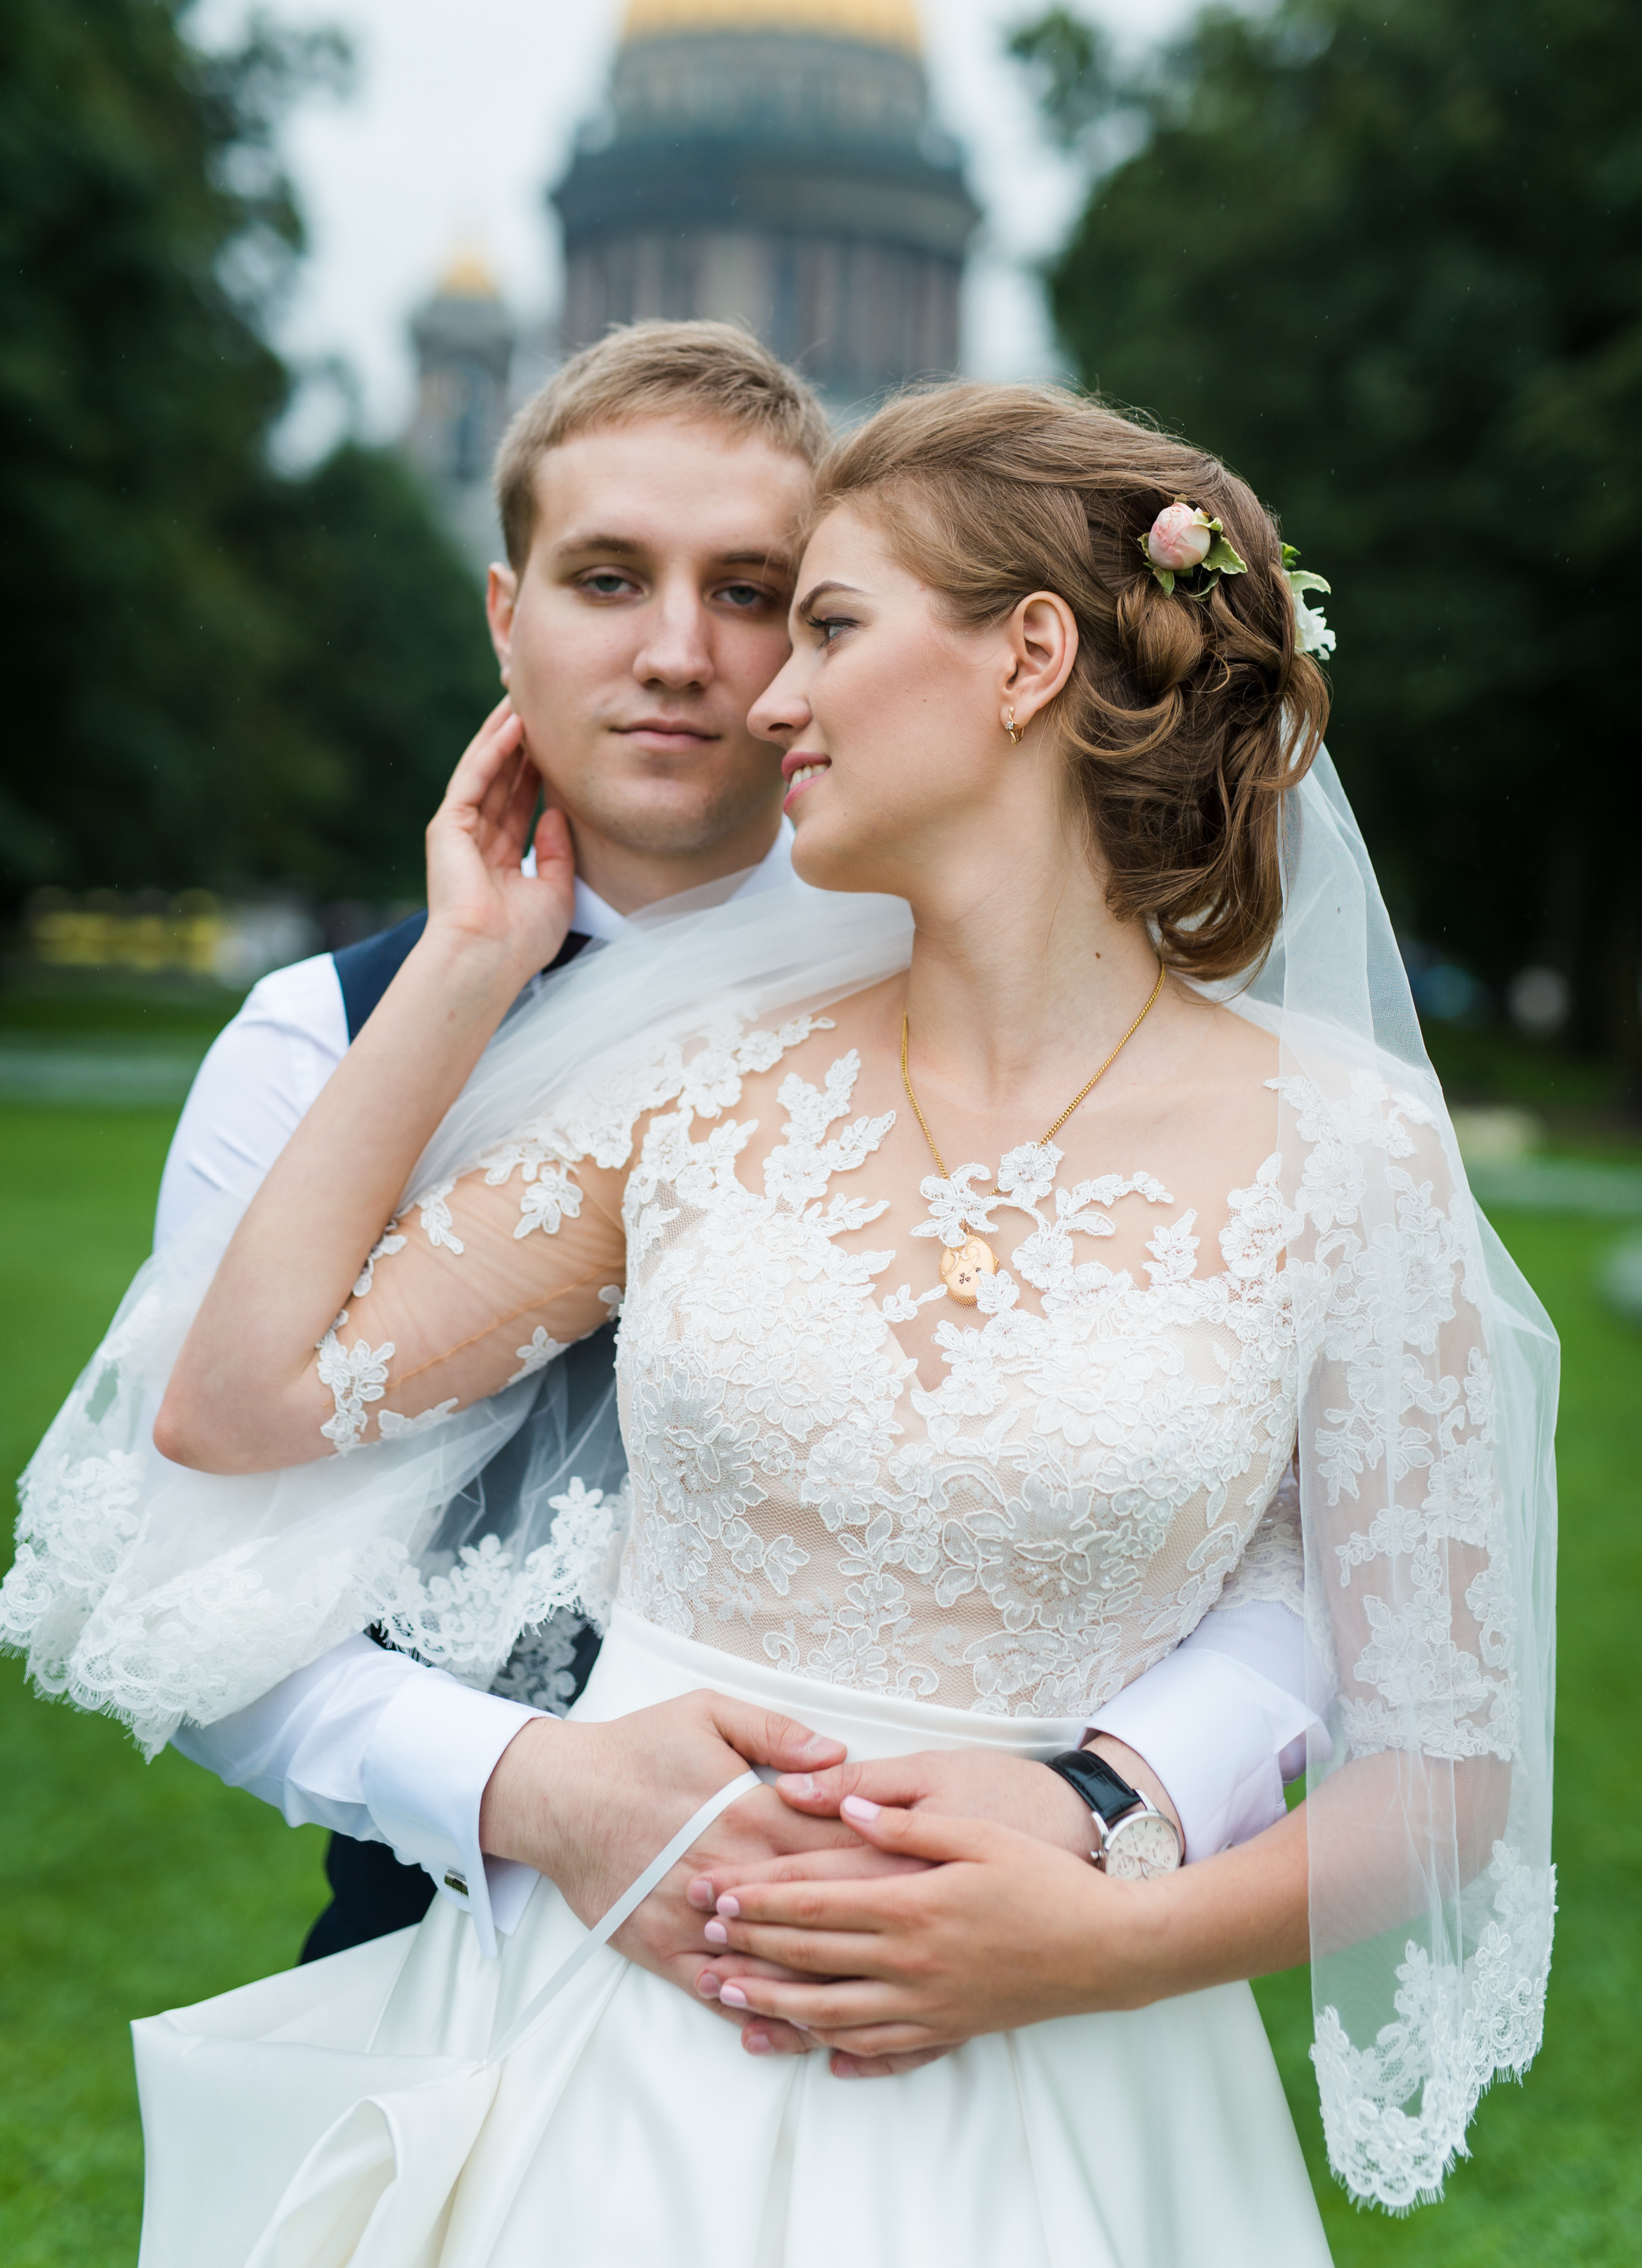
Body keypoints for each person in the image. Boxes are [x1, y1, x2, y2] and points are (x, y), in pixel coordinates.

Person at [78, 377, 1551, 2265]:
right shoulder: (699, 1086)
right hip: (616, 2054)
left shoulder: (1353, 1155)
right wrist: (463, 969)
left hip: (1082, 2086)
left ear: (1028, 658)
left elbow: (1450, 1767)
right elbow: (237, 1400)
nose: (770, 693)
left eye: (827, 626)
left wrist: (1102, 1936)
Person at [130, 322, 1316, 2047]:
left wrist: (1101, 1794)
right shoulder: (317, 1043)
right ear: (505, 616)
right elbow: (183, 1567)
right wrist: (535, 1788)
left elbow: (1295, 1539)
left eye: (767, 595)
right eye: (608, 578)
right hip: (456, 1966)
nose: (689, 658)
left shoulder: (1057, 1008)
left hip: (1001, 1976)